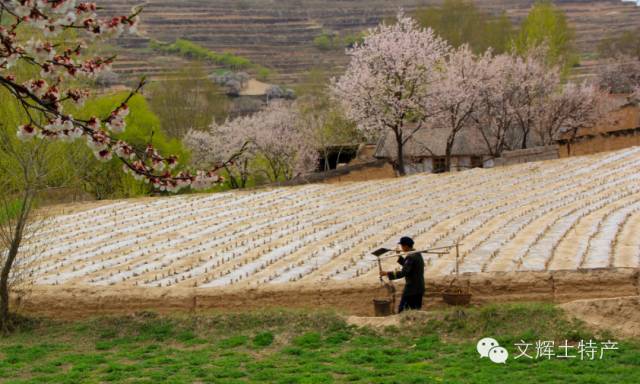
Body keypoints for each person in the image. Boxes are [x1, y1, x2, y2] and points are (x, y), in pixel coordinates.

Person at [379, 236, 425, 312]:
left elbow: (403, 272)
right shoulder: (417, 254)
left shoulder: (411, 257)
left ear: (406, 246)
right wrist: (399, 256)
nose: (401, 248)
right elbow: (409, 267)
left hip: (412, 289)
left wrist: (386, 273)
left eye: (401, 246)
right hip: (419, 287)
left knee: (402, 309)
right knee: (416, 310)